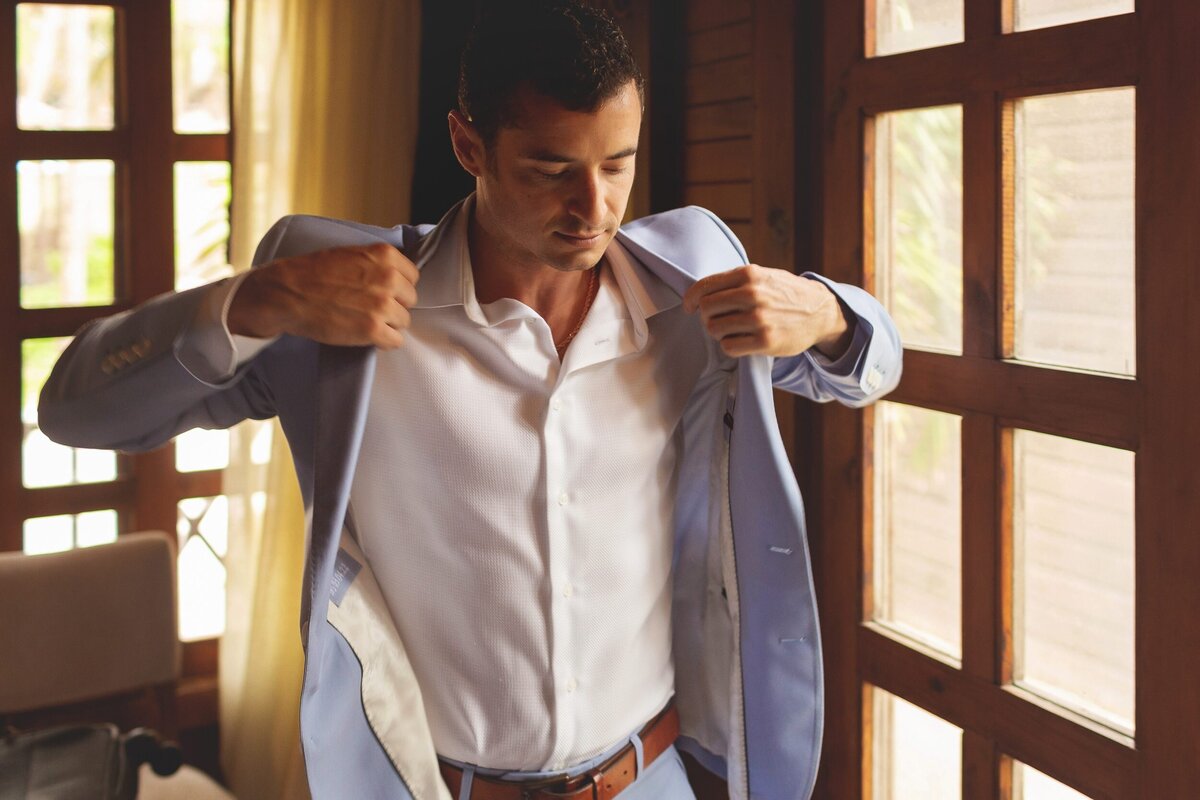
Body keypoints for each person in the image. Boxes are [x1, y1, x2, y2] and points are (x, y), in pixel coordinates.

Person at [39, 3, 901, 799]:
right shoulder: (338, 308)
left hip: (653, 779)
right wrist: (251, 303)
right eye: (551, 169)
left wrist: (826, 312)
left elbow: (875, 366)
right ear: (469, 144)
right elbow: (75, 414)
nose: (591, 207)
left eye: (618, 164)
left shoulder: (690, 285)